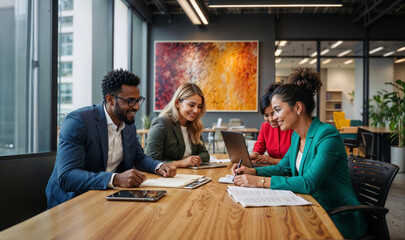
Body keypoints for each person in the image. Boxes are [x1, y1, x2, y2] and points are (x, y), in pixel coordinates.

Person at [232, 67, 367, 239]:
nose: (273, 118)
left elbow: (308, 183)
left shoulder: (327, 135)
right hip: (309, 207)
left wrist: (260, 181)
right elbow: (281, 168)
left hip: (336, 216)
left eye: (277, 110)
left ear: (297, 107)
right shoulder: (297, 137)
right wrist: (252, 171)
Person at [46, 69, 177, 208]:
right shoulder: (78, 122)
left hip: (105, 198)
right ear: (110, 99)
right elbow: (67, 176)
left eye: (138, 100)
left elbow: (139, 157)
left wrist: (159, 166)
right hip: (72, 202)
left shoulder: (128, 126)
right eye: (130, 101)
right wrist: (115, 179)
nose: (137, 107)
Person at [145, 83, 209, 167]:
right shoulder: (162, 124)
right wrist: (181, 163)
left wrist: (192, 160)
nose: (196, 110)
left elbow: (205, 154)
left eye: (199, 106)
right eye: (191, 105)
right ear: (177, 103)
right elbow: (150, 161)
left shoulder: (193, 125)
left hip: (189, 175)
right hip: (166, 177)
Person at [249, 83, 293, 165]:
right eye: (266, 115)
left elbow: (297, 160)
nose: (271, 119)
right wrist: (253, 155)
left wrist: (273, 160)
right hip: (275, 170)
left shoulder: (292, 126)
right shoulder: (265, 126)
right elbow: (259, 147)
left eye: (273, 113)